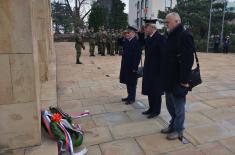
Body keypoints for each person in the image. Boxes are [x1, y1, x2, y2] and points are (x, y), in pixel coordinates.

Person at [162, 12, 194, 140]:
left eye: (167, 22)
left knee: (179, 107)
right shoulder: (171, 35)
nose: (166, 24)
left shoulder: (185, 35)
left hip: (179, 79)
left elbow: (188, 60)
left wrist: (185, 81)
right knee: (170, 105)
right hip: (169, 78)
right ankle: (173, 125)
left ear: (177, 21)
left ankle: (179, 130)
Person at [140, 19, 166, 119]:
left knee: (156, 91)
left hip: (157, 70)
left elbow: (163, 56)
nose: (145, 29)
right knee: (150, 90)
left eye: (146, 28)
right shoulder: (149, 37)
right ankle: (151, 108)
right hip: (149, 68)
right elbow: (141, 44)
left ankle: (156, 111)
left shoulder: (160, 38)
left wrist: (161, 71)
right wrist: (141, 33)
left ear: (152, 27)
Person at [120, 26, 142, 105]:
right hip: (125, 65)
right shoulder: (126, 41)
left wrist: (134, 67)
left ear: (133, 33)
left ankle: (132, 98)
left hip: (132, 66)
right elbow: (119, 42)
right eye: (126, 33)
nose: (126, 34)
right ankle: (129, 95)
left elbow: (137, 56)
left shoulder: (136, 42)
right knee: (127, 82)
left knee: (132, 83)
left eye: (128, 33)